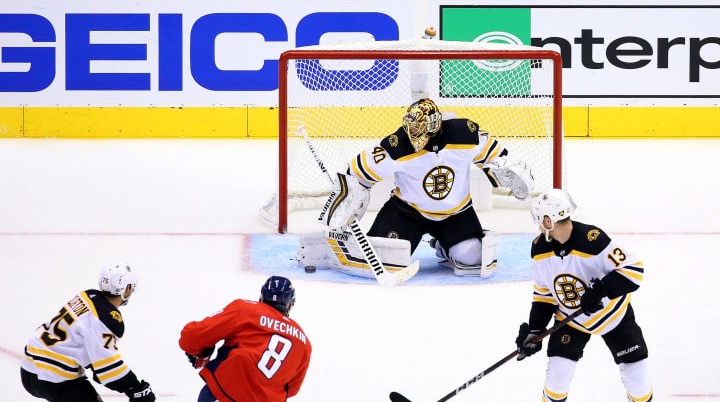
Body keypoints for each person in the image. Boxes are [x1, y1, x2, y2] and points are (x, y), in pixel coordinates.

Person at [299, 97, 533, 278]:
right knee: (385, 261)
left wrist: (507, 173)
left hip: (457, 213)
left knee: (474, 259)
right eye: (410, 127)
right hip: (406, 213)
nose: (412, 134)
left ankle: (444, 245)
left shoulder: (465, 134)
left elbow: (495, 157)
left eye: (418, 129)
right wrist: (349, 201)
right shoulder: (396, 146)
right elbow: (357, 174)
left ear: (434, 127)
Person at [515, 189, 653, 402]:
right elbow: (544, 296)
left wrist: (601, 290)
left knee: (638, 381)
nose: (539, 226)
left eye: (540, 220)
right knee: (557, 378)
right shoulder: (539, 249)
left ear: (549, 221)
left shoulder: (592, 240)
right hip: (571, 321)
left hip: (614, 317)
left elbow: (634, 271)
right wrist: (535, 330)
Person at [20, 263, 155, 402]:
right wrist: (135, 388)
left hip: (29, 366)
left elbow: (85, 347)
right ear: (127, 289)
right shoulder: (107, 318)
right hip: (54, 377)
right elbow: (108, 369)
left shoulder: (87, 295)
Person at [179, 276, 312, 402]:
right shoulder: (303, 342)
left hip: (226, 393)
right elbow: (292, 388)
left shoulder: (245, 310)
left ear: (262, 297)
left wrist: (200, 352)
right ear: (290, 305)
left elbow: (193, 336)